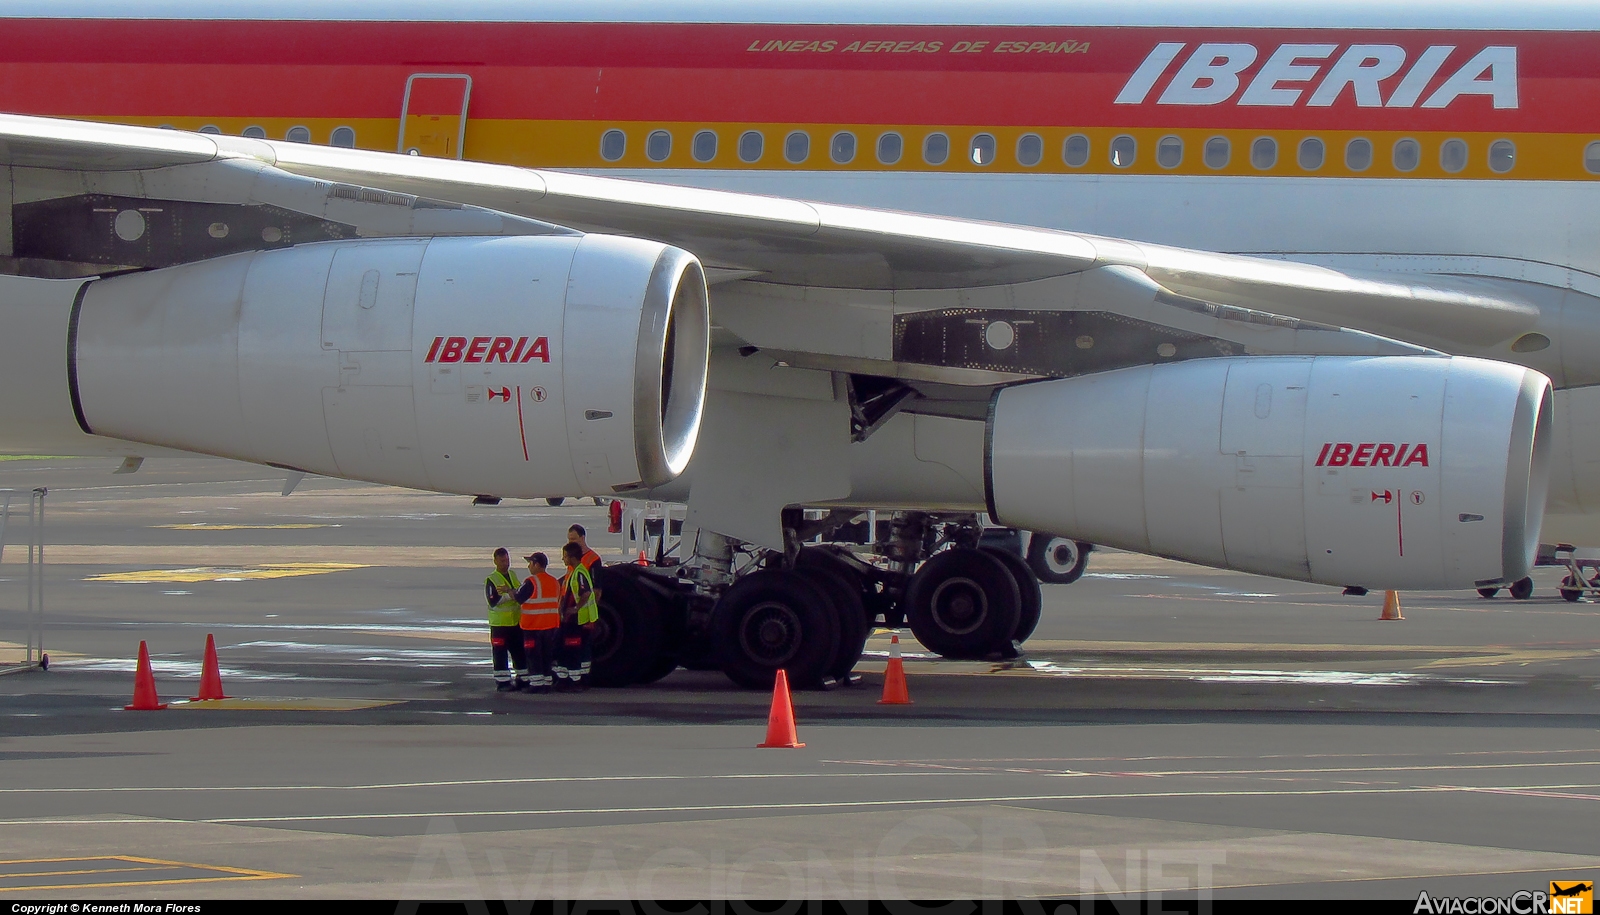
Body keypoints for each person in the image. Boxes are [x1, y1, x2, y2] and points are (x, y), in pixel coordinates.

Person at [513, 552, 562, 693]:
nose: (529, 566)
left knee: (533, 656)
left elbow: (519, 597)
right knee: (546, 656)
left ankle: (536, 685)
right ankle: (547, 683)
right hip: (551, 626)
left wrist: (510, 591)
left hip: (533, 626)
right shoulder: (554, 582)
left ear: (537, 564)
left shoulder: (531, 581)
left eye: (530, 563)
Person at [554, 540, 599, 690]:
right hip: (572, 619)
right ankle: (568, 679)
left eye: (565, 556)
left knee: (572, 650)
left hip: (576, 620)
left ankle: (574, 681)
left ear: (572, 557)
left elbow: (585, 593)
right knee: (568, 650)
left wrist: (575, 608)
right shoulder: (574, 572)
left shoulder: (579, 572)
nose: (563, 559)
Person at [484, 547, 526, 691]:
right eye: (502, 560)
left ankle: (522, 678)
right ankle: (502, 682)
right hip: (500, 625)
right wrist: (510, 595)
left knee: (519, 651)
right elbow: (493, 601)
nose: (505, 563)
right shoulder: (491, 579)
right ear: (495, 561)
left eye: (507, 560)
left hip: (515, 622)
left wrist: (511, 592)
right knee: (500, 654)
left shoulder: (513, 575)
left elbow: (520, 591)